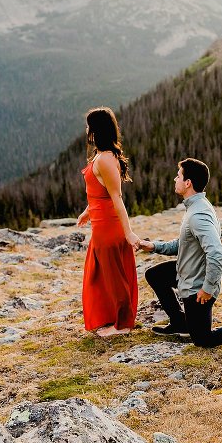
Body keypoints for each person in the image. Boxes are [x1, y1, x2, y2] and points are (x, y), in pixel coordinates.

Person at [137, 158, 222, 348]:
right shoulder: (195, 206)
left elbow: (217, 254)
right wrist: (153, 246)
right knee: (155, 275)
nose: (174, 179)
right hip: (188, 271)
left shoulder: (198, 215)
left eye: (178, 176)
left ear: (188, 183)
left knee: (203, 339)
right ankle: (179, 322)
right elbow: (184, 244)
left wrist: (208, 288)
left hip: (198, 285)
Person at [77, 107, 140, 337]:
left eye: (88, 126)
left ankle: (122, 325)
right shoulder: (101, 155)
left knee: (114, 277)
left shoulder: (105, 159)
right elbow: (98, 193)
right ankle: (110, 318)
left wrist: (129, 233)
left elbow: (116, 197)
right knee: (100, 275)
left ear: (95, 131)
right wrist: (87, 211)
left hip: (109, 227)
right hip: (100, 223)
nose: (86, 130)